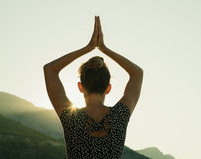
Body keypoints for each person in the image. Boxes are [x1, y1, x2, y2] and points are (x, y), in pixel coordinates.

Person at [43, 16, 143, 159]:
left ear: (80, 87)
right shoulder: (120, 116)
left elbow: (49, 69)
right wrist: (103, 48)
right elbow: (137, 73)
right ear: (108, 88)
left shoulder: (71, 118)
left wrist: (88, 48)